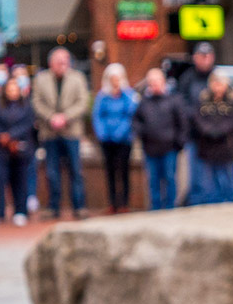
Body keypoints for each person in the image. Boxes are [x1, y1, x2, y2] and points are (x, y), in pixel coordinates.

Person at [32, 46, 90, 219]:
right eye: (59, 62)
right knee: (51, 172)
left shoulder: (77, 78)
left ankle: (79, 206)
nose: (62, 65)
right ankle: (53, 207)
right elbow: (36, 102)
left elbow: (83, 102)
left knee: (75, 171)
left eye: (65, 62)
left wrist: (65, 117)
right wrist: (51, 117)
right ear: (51, 63)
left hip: (71, 132)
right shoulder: (41, 79)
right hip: (49, 133)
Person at [131, 67, 189, 210]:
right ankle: (155, 209)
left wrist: (179, 142)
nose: (154, 85)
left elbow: (182, 123)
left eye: (157, 81)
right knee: (153, 181)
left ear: (163, 81)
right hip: (151, 148)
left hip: (170, 148)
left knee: (170, 179)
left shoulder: (174, 99)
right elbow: (136, 121)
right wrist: (142, 134)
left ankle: (170, 207)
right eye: (151, 82)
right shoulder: (144, 102)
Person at [0, 76, 36, 227]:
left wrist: (12, 137)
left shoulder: (27, 106)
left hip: (20, 147)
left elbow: (28, 124)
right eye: (9, 88)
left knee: (20, 180)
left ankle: (20, 211)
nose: (12, 91)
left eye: (15, 88)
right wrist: (3, 137)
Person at [188, 68, 233, 204]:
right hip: (208, 147)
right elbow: (198, 119)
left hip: (227, 147)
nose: (217, 86)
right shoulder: (203, 101)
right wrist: (209, 130)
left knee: (228, 180)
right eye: (215, 83)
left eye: (220, 83)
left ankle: (231, 204)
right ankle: (213, 205)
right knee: (209, 183)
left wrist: (220, 131)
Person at [92, 63, 139, 213]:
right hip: (107, 140)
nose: (115, 81)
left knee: (124, 171)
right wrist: (102, 133)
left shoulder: (128, 95)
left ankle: (124, 203)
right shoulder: (102, 96)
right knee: (110, 172)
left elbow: (130, 115)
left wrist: (121, 131)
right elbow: (97, 116)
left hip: (124, 140)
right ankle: (113, 203)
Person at [174, 43, 217, 204]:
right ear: (195, 58)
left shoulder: (217, 77)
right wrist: (198, 119)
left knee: (215, 174)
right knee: (195, 173)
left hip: (215, 135)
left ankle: (214, 201)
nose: (205, 60)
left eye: (208, 56)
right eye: (201, 56)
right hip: (194, 134)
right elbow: (182, 104)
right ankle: (196, 201)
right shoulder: (187, 78)